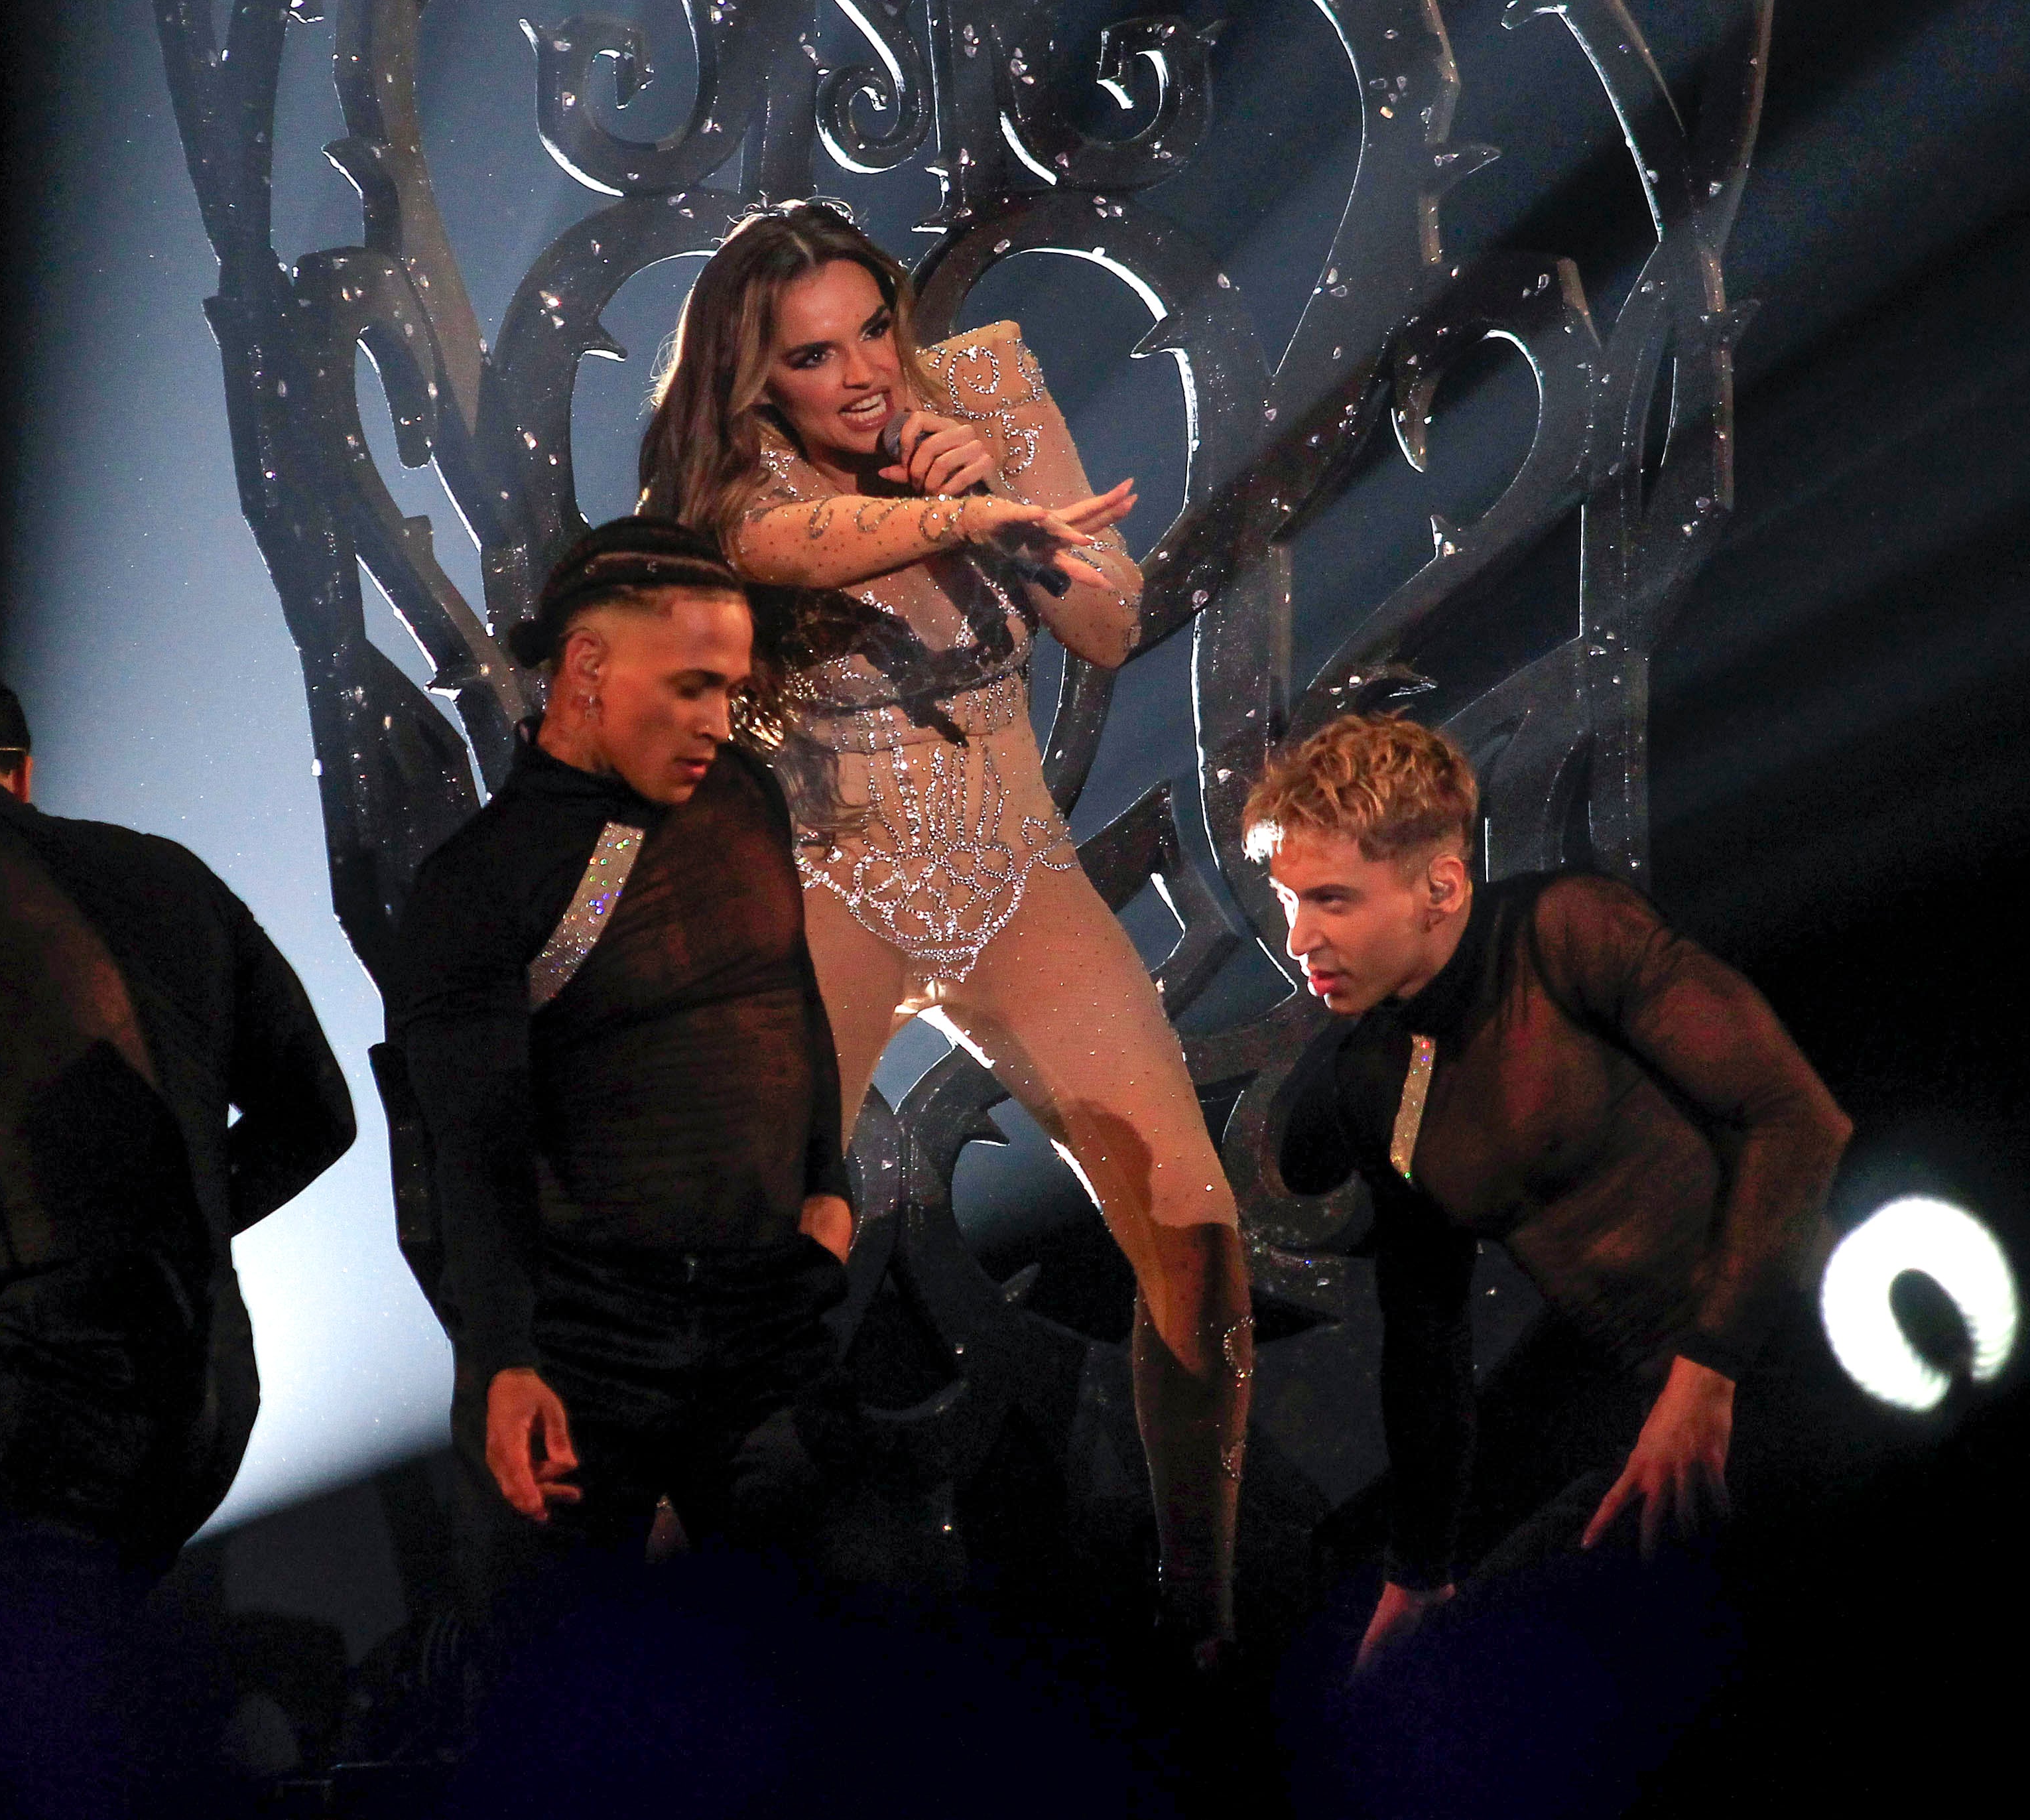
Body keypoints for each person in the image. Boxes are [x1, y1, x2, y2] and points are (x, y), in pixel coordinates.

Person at [635, 201, 1250, 1658]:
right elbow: (786, 547)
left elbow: (1108, 624)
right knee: (749, 1266)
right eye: (809, 355)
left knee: (1198, 1236)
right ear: (752, 379)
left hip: (1014, 879)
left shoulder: (977, 389)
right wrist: (955, 516)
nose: (857, 374)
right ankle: (631, 1613)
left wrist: (1016, 523)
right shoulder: (730, 483)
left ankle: (1205, 1620)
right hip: (829, 884)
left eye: (870, 332)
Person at [1247, 710, 1850, 1674]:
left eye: (1331, 899)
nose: (1299, 937)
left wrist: (1709, 1370)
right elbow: (1427, 1333)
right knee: (1443, 1672)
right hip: (1672, 1419)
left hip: (1814, 1349)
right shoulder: (1374, 1079)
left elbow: (1796, 1116)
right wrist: (1419, 1572)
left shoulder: (1569, 931)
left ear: (1440, 884)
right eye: (1286, 902)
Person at [0, 663, 355, 1587]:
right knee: (72, 1687)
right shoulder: (178, 876)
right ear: (25, 774)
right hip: (218, 1390)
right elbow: (321, 1116)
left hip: (55, 1398)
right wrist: (171, 1229)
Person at [389, 517, 859, 1604]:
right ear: (588, 665)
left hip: (767, 1320)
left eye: (730, 691)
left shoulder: (746, 793)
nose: (715, 721)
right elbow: (474, 1147)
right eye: (691, 686)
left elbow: (786, 993)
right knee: (565, 1700)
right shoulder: (478, 885)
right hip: (586, 1348)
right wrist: (504, 1357)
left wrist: (827, 1192)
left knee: (835, 1678)